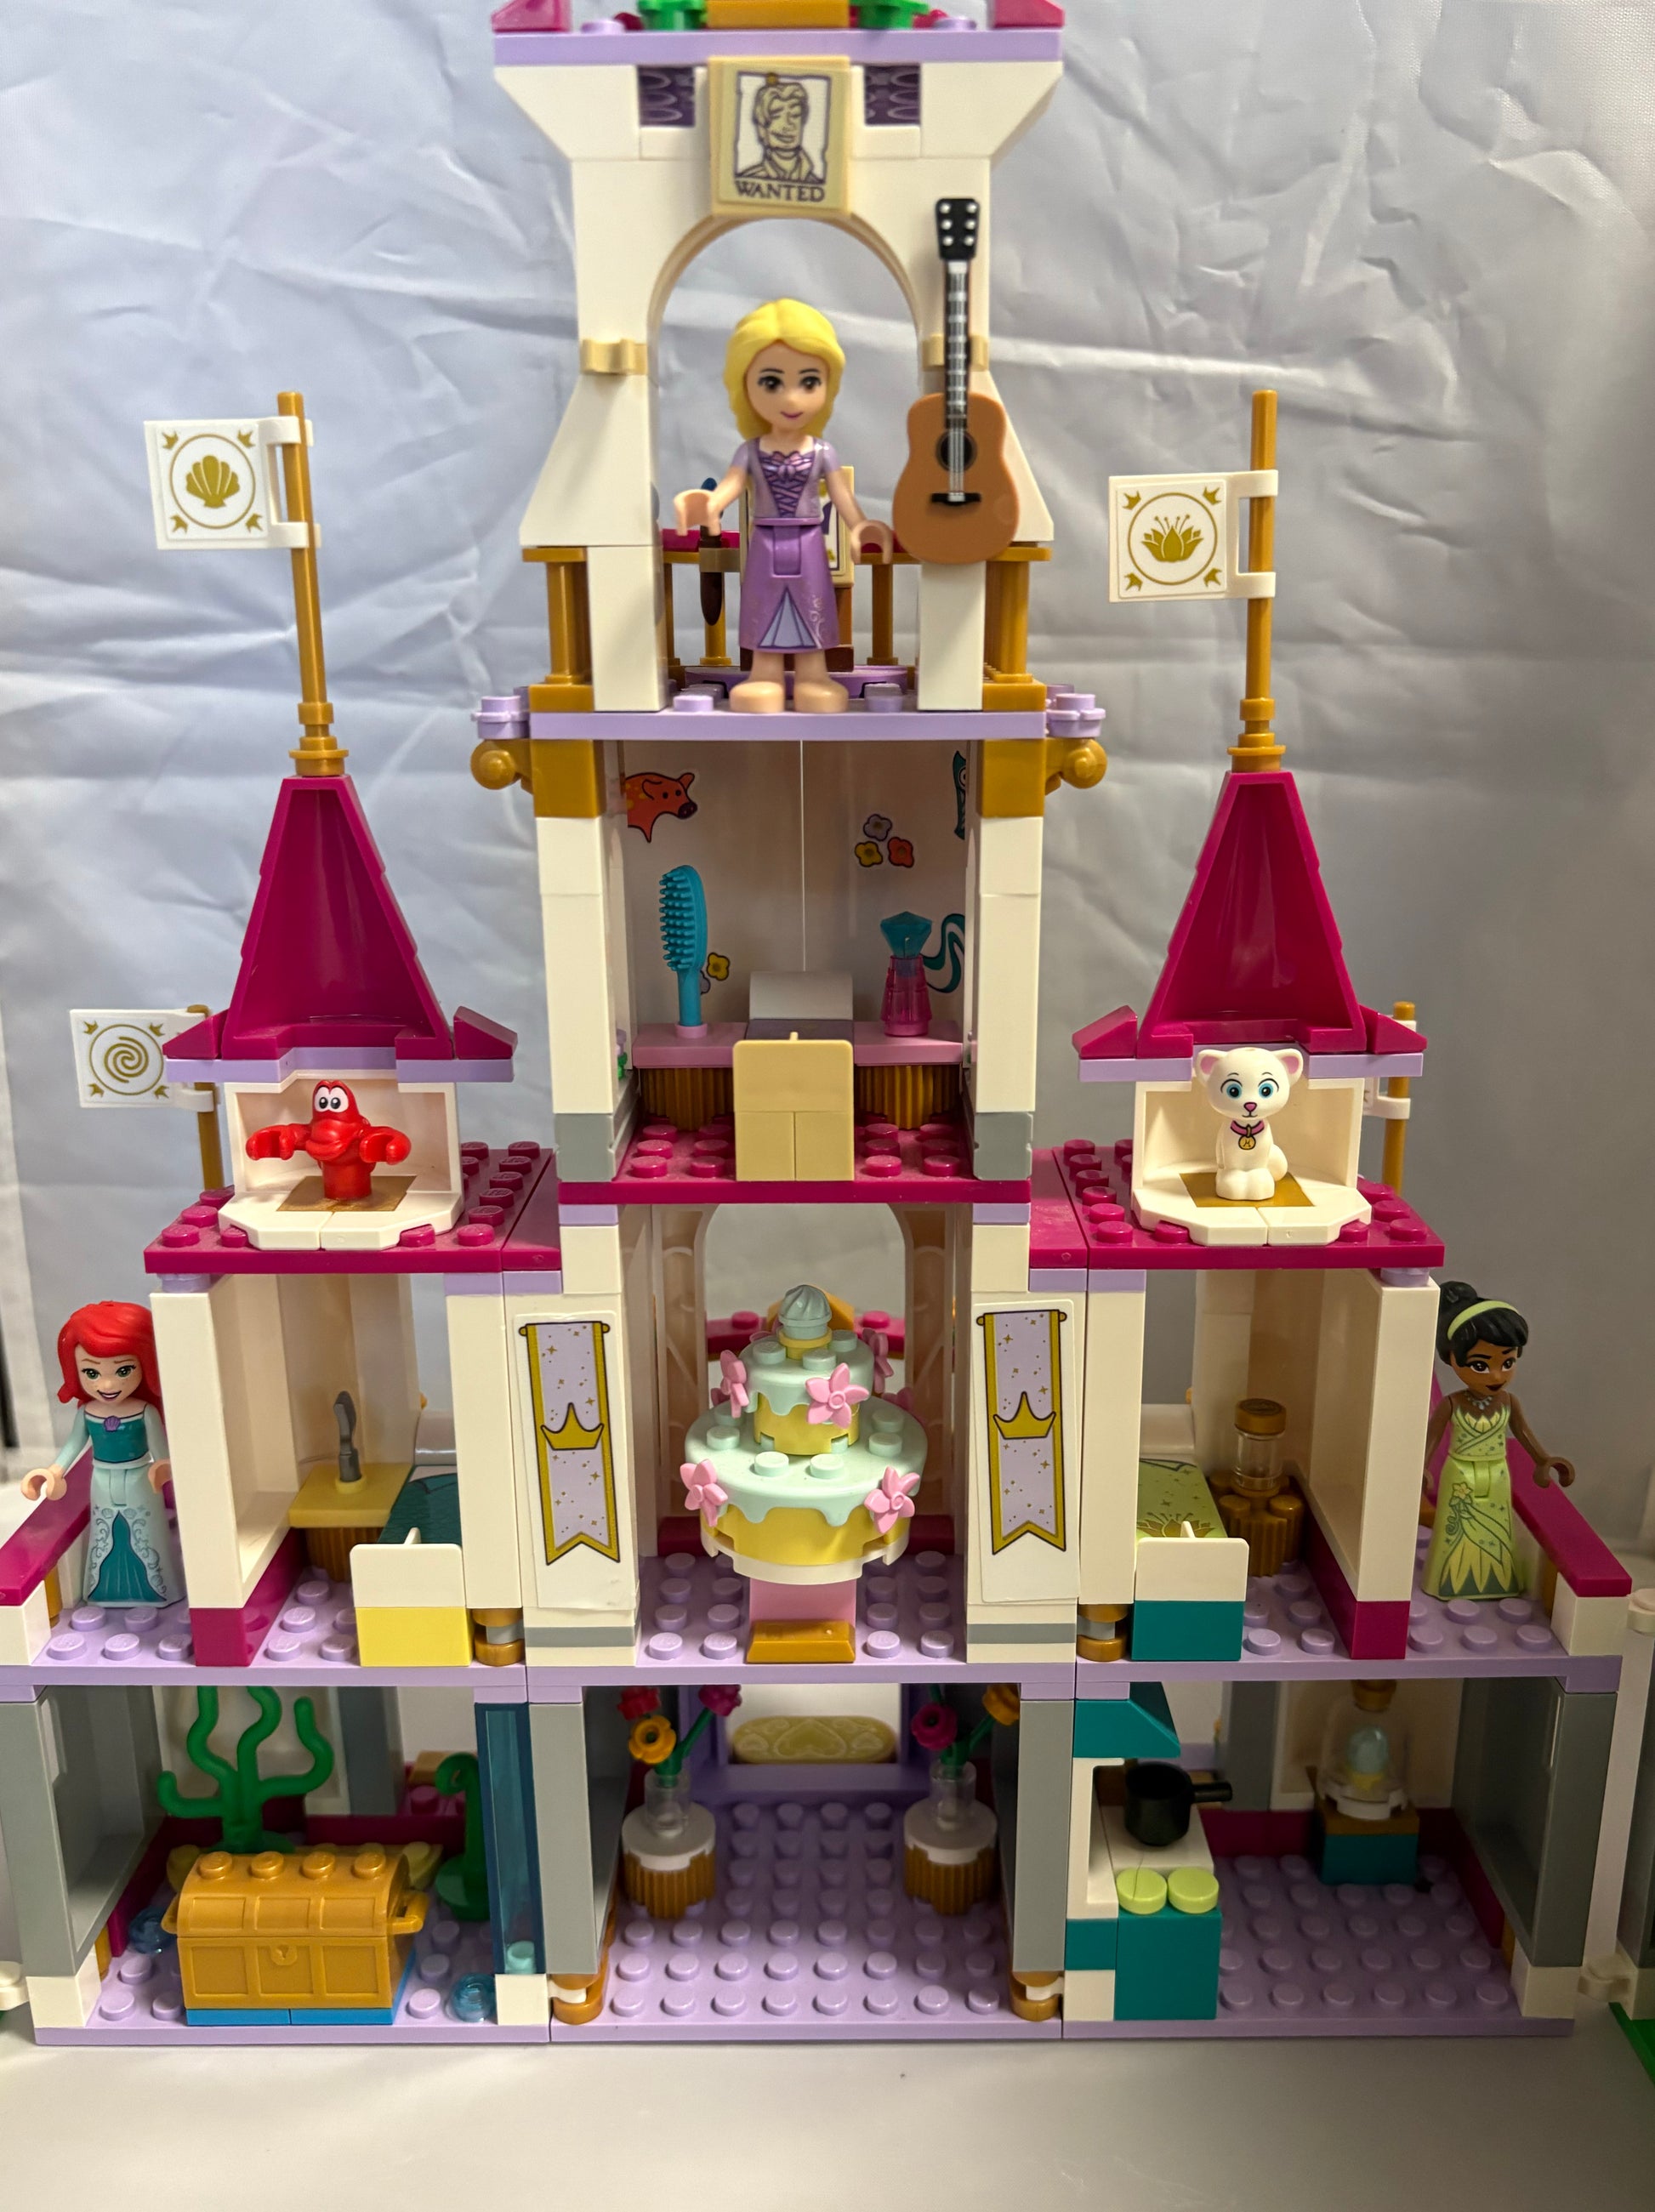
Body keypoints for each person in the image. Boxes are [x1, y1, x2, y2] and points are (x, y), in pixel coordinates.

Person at [674, 299, 893, 714]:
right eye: (772, 382)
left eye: (809, 382)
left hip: (809, 542)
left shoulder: (822, 452)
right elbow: (729, 487)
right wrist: (709, 504)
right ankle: (764, 676)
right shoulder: (750, 451)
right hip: (766, 542)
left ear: (828, 385)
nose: (792, 397)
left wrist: (861, 525)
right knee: (764, 606)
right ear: (745, 386)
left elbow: (842, 497)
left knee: (811, 605)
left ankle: (813, 677)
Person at [1419, 1281, 1575, 1601]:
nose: (1496, 1375)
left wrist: (1543, 1459)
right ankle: (1451, 1582)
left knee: (1497, 1528)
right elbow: (1431, 1439)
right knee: (1456, 1528)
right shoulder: (1452, 1404)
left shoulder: (1508, 1402)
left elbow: (1523, 1433)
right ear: (1452, 1359)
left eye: (1507, 1362)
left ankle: (1495, 1582)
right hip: (1461, 1473)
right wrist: (1422, 1468)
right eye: (1480, 1365)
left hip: (1497, 1473)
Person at [21, 1301, 183, 1607]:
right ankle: (105, 1591)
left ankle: (159, 1589)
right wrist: (53, 1472)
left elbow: (160, 1450)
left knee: (147, 1532)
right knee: (104, 1531)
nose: (107, 1384)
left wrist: (164, 1467)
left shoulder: (144, 1411)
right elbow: (73, 1444)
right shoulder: (87, 1413)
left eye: (123, 1370)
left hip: (140, 1480)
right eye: (91, 1372)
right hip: (102, 1480)